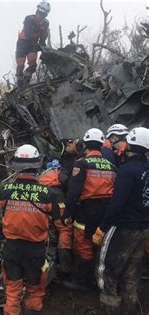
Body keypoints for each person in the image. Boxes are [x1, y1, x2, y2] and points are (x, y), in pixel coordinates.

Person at [92, 127, 149, 315]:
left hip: (123, 227)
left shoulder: (127, 171)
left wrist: (102, 228)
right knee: (132, 271)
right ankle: (129, 309)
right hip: (143, 227)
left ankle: (109, 310)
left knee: (108, 271)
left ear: (130, 145)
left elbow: (116, 204)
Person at [0, 144, 60, 315]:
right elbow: (57, 220)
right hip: (35, 248)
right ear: (37, 165)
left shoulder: (5, 190)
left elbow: (0, 215)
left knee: (12, 288)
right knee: (34, 287)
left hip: (11, 246)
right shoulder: (49, 193)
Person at [61, 128, 116, 290]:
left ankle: (84, 282)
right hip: (106, 210)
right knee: (101, 243)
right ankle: (100, 278)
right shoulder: (111, 166)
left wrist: (67, 213)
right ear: (101, 145)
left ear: (84, 144)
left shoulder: (81, 163)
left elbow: (74, 192)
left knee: (83, 244)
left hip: (87, 210)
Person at [38, 159, 72, 277]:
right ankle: (65, 266)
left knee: (46, 227)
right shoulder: (59, 171)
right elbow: (67, 182)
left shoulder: (42, 175)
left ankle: (48, 259)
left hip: (41, 197)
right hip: (57, 197)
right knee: (64, 229)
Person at [15, 1, 51, 88]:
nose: (41, 16)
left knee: (33, 64)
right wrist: (36, 41)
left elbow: (44, 36)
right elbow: (28, 32)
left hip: (33, 44)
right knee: (20, 65)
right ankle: (19, 84)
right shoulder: (29, 18)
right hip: (23, 43)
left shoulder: (46, 23)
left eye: (43, 15)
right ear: (37, 11)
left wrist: (43, 45)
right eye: (40, 14)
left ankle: (26, 81)